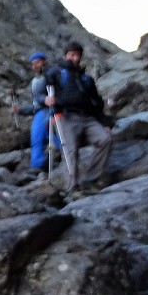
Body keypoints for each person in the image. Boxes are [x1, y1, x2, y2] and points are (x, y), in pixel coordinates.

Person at [44, 41, 113, 195]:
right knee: (71, 149)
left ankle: (89, 179)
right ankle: (73, 185)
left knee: (105, 139)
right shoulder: (56, 73)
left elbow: (97, 103)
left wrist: (105, 123)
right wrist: (47, 101)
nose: (75, 58)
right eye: (72, 55)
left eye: (78, 55)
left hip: (88, 117)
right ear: (65, 56)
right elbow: (45, 89)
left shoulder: (87, 79)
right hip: (66, 116)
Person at [11, 52, 59, 173]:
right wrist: (21, 110)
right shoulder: (35, 81)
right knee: (39, 137)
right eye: (33, 64)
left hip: (53, 109)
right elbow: (35, 104)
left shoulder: (53, 73)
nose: (35, 66)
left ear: (44, 61)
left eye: (37, 62)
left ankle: (59, 157)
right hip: (41, 111)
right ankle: (39, 163)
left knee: (48, 135)